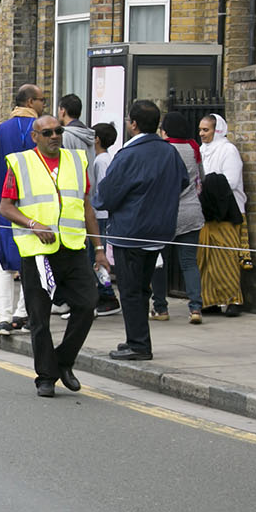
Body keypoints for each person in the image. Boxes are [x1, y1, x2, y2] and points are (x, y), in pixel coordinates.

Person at [0, 115, 107, 397]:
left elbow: (86, 207)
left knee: (87, 305)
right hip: (38, 253)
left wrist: (98, 249)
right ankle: (46, 376)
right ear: (35, 136)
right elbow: (6, 207)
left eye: (58, 131)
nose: (54, 136)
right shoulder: (20, 163)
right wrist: (33, 225)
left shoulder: (76, 160)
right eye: (47, 132)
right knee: (40, 317)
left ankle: (63, 361)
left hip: (72, 248)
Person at [93, 99, 189, 361]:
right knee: (143, 289)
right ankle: (136, 339)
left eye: (128, 120)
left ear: (133, 124)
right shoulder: (169, 152)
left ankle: (138, 344)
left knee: (131, 290)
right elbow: (183, 180)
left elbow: (106, 196)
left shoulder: (128, 155)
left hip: (131, 231)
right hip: (160, 230)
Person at [0, 85, 43, 334]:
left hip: (5, 200)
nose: (44, 103)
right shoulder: (42, 129)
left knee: (4, 261)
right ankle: (22, 313)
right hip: (37, 202)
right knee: (32, 261)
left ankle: (3, 316)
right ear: (31, 101)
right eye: (42, 99)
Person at [150, 111, 205, 324]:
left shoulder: (162, 149)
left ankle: (160, 308)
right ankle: (195, 308)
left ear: (165, 130)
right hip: (191, 211)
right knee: (189, 262)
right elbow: (202, 177)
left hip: (164, 213)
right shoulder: (193, 147)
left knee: (159, 262)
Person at [197, 114, 247, 316]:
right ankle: (210, 301)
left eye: (206, 130)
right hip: (207, 212)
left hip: (227, 212)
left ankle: (232, 300)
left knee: (226, 258)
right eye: (200, 130)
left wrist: (207, 184)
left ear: (217, 130)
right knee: (206, 258)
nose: (201, 134)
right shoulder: (201, 151)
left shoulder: (228, 150)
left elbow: (231, 181)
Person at [89, 122, 120, 315]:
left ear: (97, 139)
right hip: (103, 215)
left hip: (99, 215)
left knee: (96, 257)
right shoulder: (107, 158)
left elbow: (101, 189)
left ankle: (107, 293)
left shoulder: (101, 161)